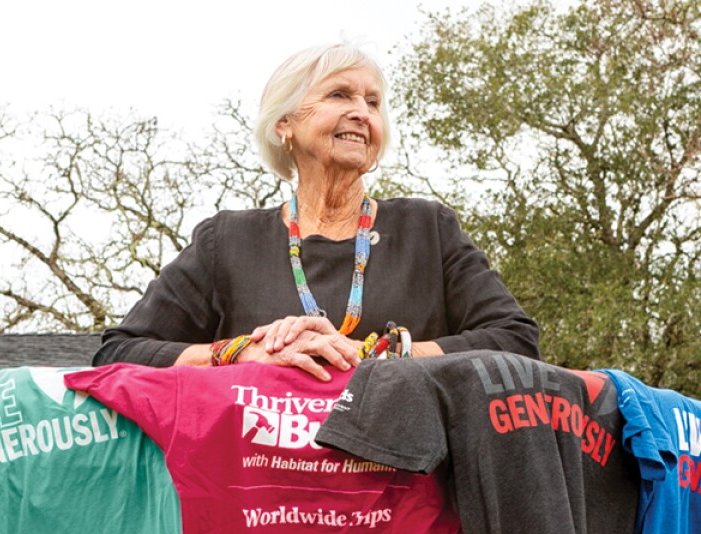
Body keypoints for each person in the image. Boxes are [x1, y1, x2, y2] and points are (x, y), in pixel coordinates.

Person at [93, 41, 540, 377]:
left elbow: (515, 341)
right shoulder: (226, 242)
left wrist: (383, 351)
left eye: (373, 102)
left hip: (407, 490)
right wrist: (243, 353)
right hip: (261, 493)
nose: (362, 113)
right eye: (340, 95)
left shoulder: (429, 230)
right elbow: (120, 351)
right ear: (284, 123)